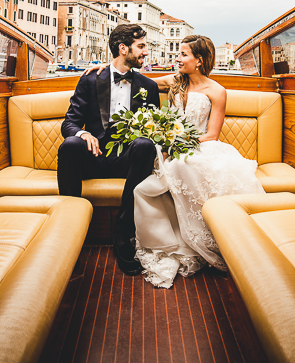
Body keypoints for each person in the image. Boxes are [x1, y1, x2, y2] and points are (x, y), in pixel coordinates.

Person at [84, 35, 265, 288]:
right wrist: (106, 67)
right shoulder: (173, 82)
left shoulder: (217, 91)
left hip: (200, 146)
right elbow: (133, 79)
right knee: (165, 168)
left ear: (199, 61)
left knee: (182, 165)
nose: (176, 59)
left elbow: (212, 134)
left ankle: (212, 237)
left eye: (182, 55)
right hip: (169, 147)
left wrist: (177, 145)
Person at [57, 24, 161, 274]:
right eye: (142, 46)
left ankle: (124, 235)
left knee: (146, 145)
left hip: (127, 160)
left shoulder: (149, 86)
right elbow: (69, 122)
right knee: (70, 144)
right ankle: (67, 232)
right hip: (93, 159)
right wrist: (83, 134)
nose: (146, 52)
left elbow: (155, 128)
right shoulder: (91, 78)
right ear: (124, 48)